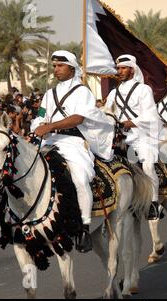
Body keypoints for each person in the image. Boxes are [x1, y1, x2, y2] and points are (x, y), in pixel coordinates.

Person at [31, 50, 115, 253]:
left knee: (79, 178)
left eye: (60, 65)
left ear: (72, 67)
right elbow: (40, 115)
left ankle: (85, 226)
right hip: (49, 141)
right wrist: (38, 126)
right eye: (54, 66)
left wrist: (50, 126)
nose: (56, 69)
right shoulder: (49, 94)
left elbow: (78, 118)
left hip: (74, 141)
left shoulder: (82, 91)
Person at [105, 54, 164, 220]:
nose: (120, 71)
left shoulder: (144, 90)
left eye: (123, 68)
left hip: (142, 136)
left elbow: (150, 117)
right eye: (118, 68)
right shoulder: (113, 93)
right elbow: (107, 114)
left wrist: (126, 123)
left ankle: (153, 204)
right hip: (120, 139)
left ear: (132, 70)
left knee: (147, 167)